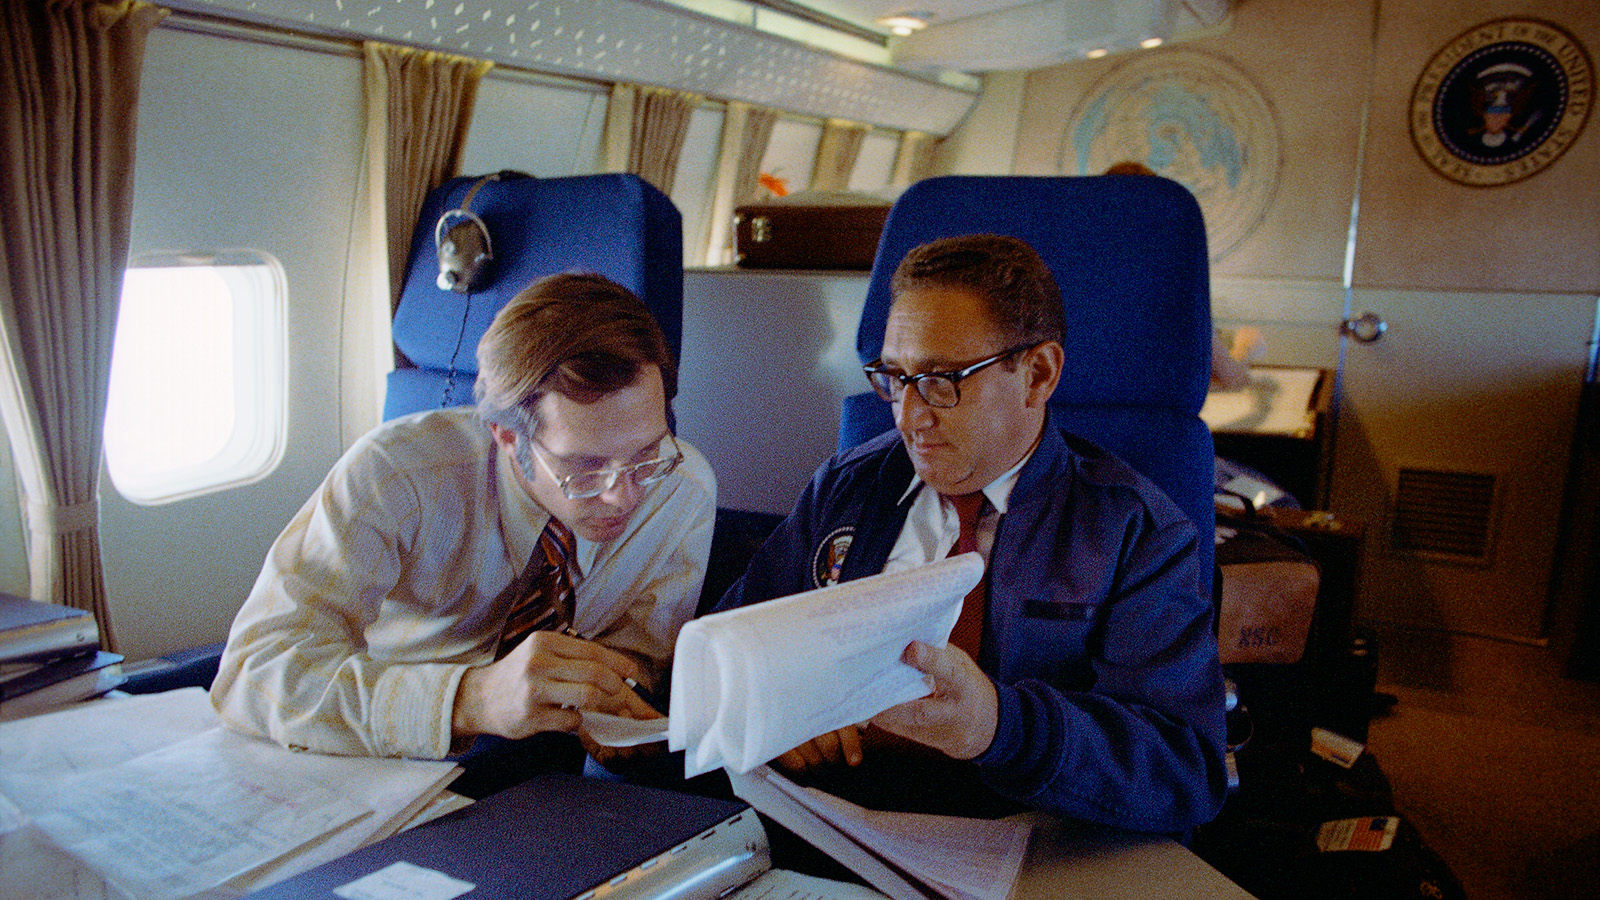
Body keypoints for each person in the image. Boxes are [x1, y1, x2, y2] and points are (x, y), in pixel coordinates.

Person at [715, 234, 1228, 833]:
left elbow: (1182, 772)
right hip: (831, 824)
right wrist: (772, 710)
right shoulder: (848, 489)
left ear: (1037, 375)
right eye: (896, 378)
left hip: (1026, 841)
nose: (909, 416)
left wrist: (1000, 727)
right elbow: (735, 645)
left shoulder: (1133, 531)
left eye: (941, 380)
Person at [211, 272, 715, 796]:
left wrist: (616, 692)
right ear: (506, 436)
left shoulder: (683, 490)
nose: (624, 496)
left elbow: (642, 656)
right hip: (375, 757)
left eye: (645, 455)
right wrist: (468, 699)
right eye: (584, 469)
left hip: (547, 768)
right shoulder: (397, 476)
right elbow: (253, 674)